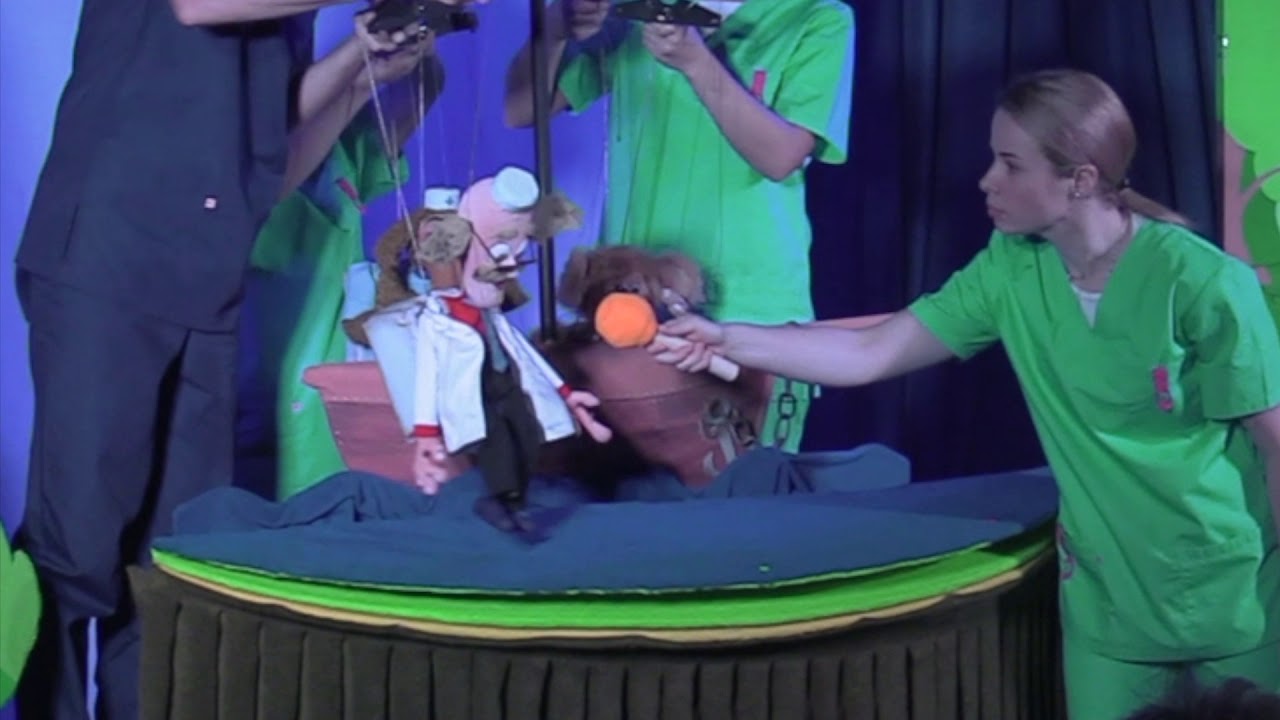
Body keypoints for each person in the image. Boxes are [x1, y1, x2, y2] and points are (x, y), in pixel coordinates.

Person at [652, 69, 1280, 719]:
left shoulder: (1202, 283)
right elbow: (873, 352)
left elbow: (1276, 444)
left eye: (1011, 164)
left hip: (1237, 598)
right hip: (1111, 610)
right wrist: (725, 338)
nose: (987, 181)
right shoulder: (1011, 267)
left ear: (1080, 180)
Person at [9, 1, 476, 718]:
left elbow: (269, 163)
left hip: (208, 279)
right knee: (75, 548)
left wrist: (360, 69)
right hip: (108, 264)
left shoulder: (286, 22)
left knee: (175, 554)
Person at [502, 0, 855, 452]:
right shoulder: (635, 14)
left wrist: (695, 61)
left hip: (751, 312)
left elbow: (780, 157)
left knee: (744, 486)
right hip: (631, 306)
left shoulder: (814, 17)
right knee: (627, 486)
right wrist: (554, 28)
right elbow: (521, 109)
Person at [238, 22, 444, 500]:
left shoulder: (337, 153)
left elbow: (417, 96)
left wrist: (421, 33)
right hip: (267, 417)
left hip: (329, 410)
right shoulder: (242, 169)